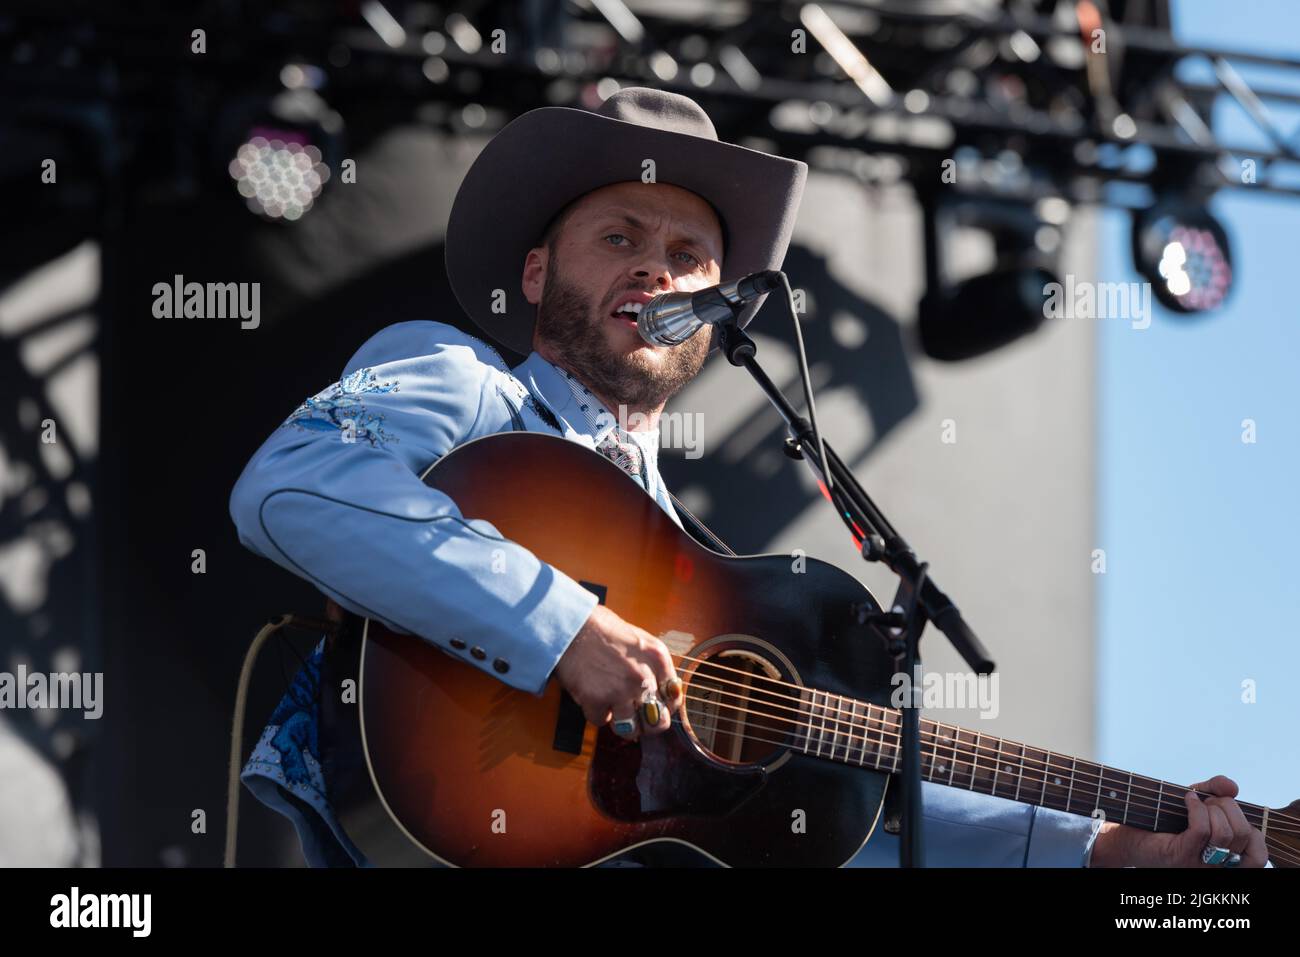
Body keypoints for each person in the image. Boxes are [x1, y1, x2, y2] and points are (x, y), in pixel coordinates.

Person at [230, 86, 1268, 869]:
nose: (656, 269)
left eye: (690, 255)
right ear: (539, 272)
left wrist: (1098, 852)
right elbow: (290, 484)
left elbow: (859, 788)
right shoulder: (462, 384)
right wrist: (562, 628)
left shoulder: (695, 570)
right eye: (619, 237)